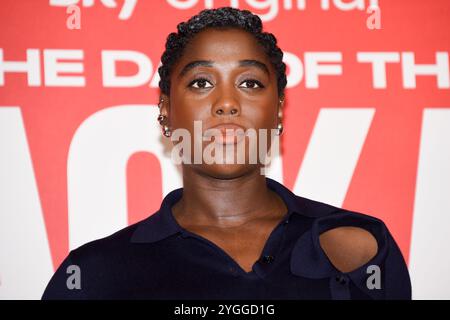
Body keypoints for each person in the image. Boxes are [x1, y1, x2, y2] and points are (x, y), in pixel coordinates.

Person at [42, 7, 411, 300]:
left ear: (278, 109)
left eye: (249, 83)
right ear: (166, 110)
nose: (227, 104)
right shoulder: (94, 273)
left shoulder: (359, 247)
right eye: (201, 82)